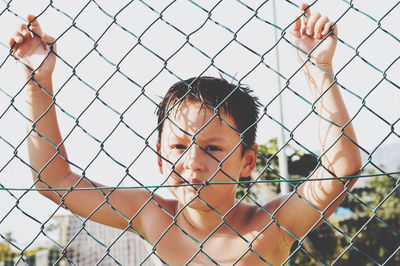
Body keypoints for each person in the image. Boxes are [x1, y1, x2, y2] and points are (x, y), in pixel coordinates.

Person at [10, 3, 361, 265]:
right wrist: (38, 85)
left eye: (212, 148)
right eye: (178, 146)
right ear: (160, 158)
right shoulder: (153, 215)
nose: (192, 162)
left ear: (247, 161)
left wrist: (319, 71)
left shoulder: (270, 224)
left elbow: (340, 170)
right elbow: (53, 181)